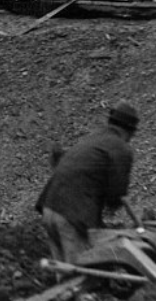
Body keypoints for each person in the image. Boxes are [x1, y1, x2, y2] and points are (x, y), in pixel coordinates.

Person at [37, 103, 139, 263]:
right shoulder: (120, 148)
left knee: (64, 272)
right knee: (81, 272)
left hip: (49, 207)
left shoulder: (93, 139)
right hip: (71, 215)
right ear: (131, 131)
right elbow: (116, 193)